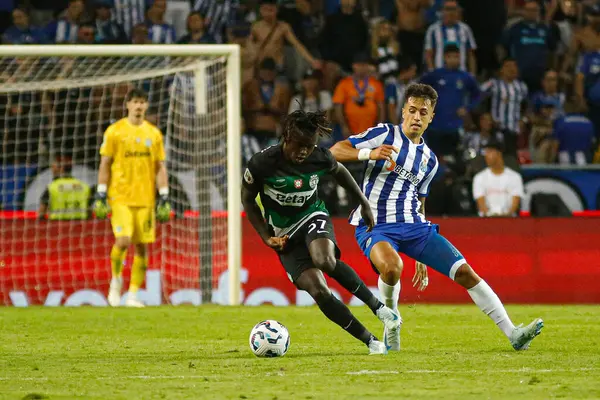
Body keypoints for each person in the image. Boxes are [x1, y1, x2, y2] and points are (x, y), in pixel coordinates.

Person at [330, 83, 543, 351]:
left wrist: (421, 256)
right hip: (376, 225)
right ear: (403, 112)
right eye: (412, 110)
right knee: (392, 268)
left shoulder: (429, 160)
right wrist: (368, 153)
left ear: (431, 117)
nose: (416, 117)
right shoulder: (384, 134)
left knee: (465, 271)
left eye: (423, 112)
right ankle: (391, 321)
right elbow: (335, 150)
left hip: (416, 228)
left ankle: (513, 333)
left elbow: (420, 200)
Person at [241, 109, 400, 355]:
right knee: (318, 290)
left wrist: (363, 203)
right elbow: (248, 201)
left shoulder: (319, 157)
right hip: (284, 233)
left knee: (324, 259)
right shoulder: (262, 163)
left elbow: (340, 173)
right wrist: (266, 237)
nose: (305, 151)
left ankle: (379, 308)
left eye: (310, 146)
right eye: (300, 146)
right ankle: (371, 342)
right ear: (286, 138)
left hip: (312, 215)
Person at [93, 88, 172, 308]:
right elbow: (105, 163)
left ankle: (133, 294)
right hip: (120, 197)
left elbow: (159, 168)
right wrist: (100, 191)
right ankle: (116, 281)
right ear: (127, 104)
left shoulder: (154, 134)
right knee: (123, 239)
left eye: (142, 102)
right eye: (135, 102)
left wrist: (164, 195)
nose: (138, 106)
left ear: (146, 106)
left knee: (142, 247)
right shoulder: (114, 131)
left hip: (145, 199)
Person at [472, 140, 524, 217]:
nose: (486, 155)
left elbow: (514, 206)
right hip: (486, 221)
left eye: (489, 152)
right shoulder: (479, 178)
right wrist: (491, 216)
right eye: (485, 152)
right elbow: (481, 206)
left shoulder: (515, 177)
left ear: (499, 154)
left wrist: (504, 216)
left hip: (509, 221)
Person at [38, 156, 91, 221]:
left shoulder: (52, 187)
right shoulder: (85, 186)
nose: (52, 169)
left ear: (61, 168)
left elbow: (41, 213)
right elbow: (89, 212)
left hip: (57, 225)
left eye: (54, 166)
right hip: (81, 225)